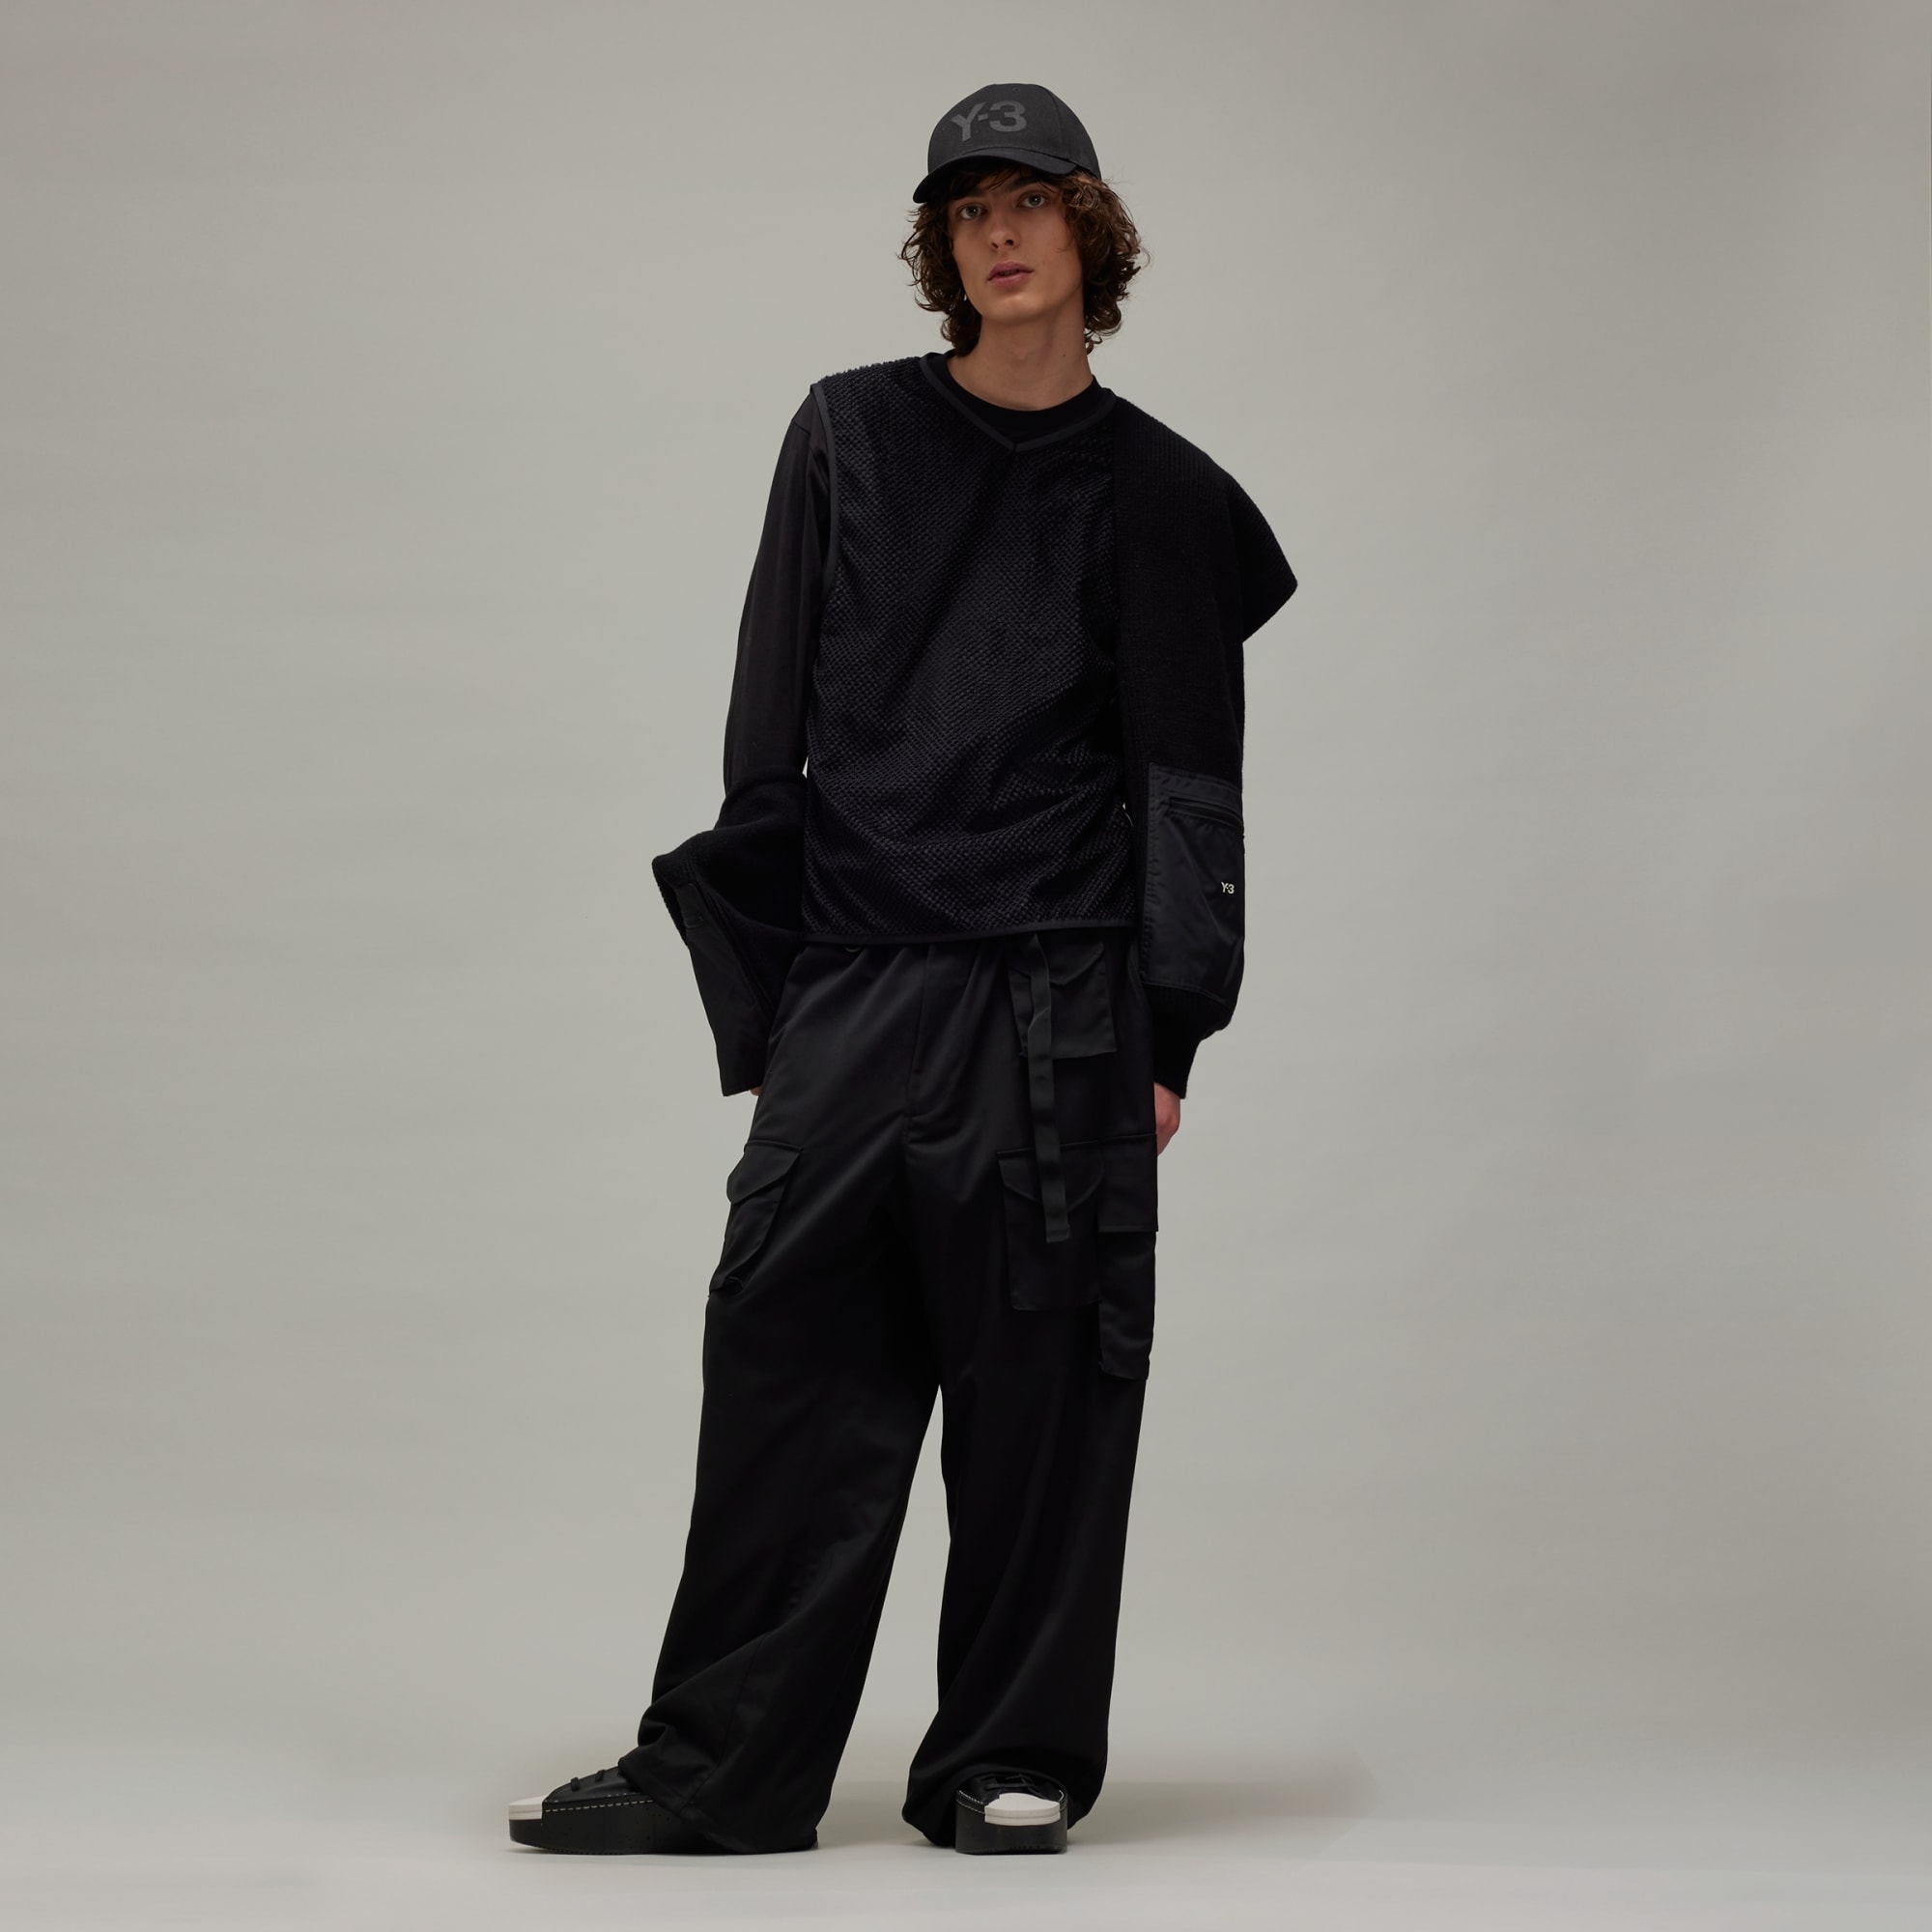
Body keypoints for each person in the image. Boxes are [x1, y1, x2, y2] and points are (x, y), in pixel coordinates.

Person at [508, 81, 1296, 1860]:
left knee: (1047, 1389)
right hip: (860, 975)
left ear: (1091, 226)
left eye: (1030, 201)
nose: (999, 235)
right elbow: (764, 733)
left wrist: (1170, 1030)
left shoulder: (1166, 495)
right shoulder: (850, 433)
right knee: (784, 1359)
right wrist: (780, 997)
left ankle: (1009, 1760)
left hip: (1062, 990)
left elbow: (1191, 780)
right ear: (942, 248)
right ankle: (721, 1770)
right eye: (967, 211)